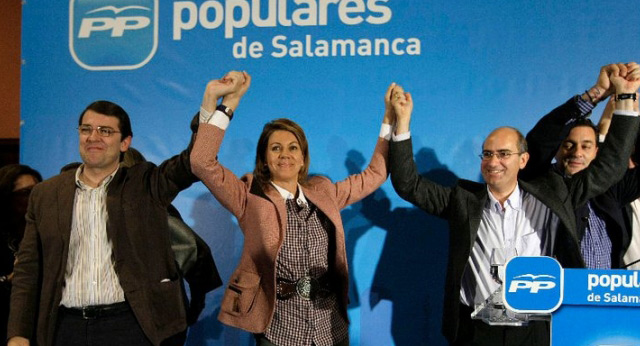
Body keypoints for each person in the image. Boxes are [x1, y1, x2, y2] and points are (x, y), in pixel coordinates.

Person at [388, 66, 640, 345]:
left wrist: (624, 95)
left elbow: (612, 164)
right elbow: (408, 184)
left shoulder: (555, 196)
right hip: (477, 332)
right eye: (487, 154)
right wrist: (401, 124)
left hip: (537, 330)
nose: (493, 162)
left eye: (504, 154)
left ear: (523, 160)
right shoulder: (462, 200)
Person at [6, 88, 238, 346]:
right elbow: (28, 270)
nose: (94, 137)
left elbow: (194, 161)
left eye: (105, 131)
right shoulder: (45, 194)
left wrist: (215, 105)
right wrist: (18, 334)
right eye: (86, 129)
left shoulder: (146, 184)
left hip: (130, 327)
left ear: (125, 142)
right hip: (64, 329)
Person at [190, 71, 396, 346]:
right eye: (275, 148)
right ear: (264, 160)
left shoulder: (324, 192)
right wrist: (228, 104)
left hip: (330, 330)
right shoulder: (248, 195)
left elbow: (375, 174)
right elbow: (202, 161)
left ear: (302, 158)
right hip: (278, 331)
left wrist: (390, 119)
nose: (285, 154)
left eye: (292, 148)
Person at [524, 63, 640, 269]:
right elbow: (539, 142)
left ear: (597, 151)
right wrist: (596, 94)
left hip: (609, 297)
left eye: (586, 146)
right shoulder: (540, 185)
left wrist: (627, 97)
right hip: (559, 298)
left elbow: (614, 159)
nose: (576, 153)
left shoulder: (612, 188)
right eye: (568, 145)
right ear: (556, 149)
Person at [121, 147, 222, 326]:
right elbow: (196, 252)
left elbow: (194, 251)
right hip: (159, 318)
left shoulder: (155, 211)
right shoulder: (157, 208)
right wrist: (196, 306)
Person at [0, 164, 42, 344]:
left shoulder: (45, 234)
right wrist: (8, 279)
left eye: (37, 191)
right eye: (26, 193)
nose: (34, 198)